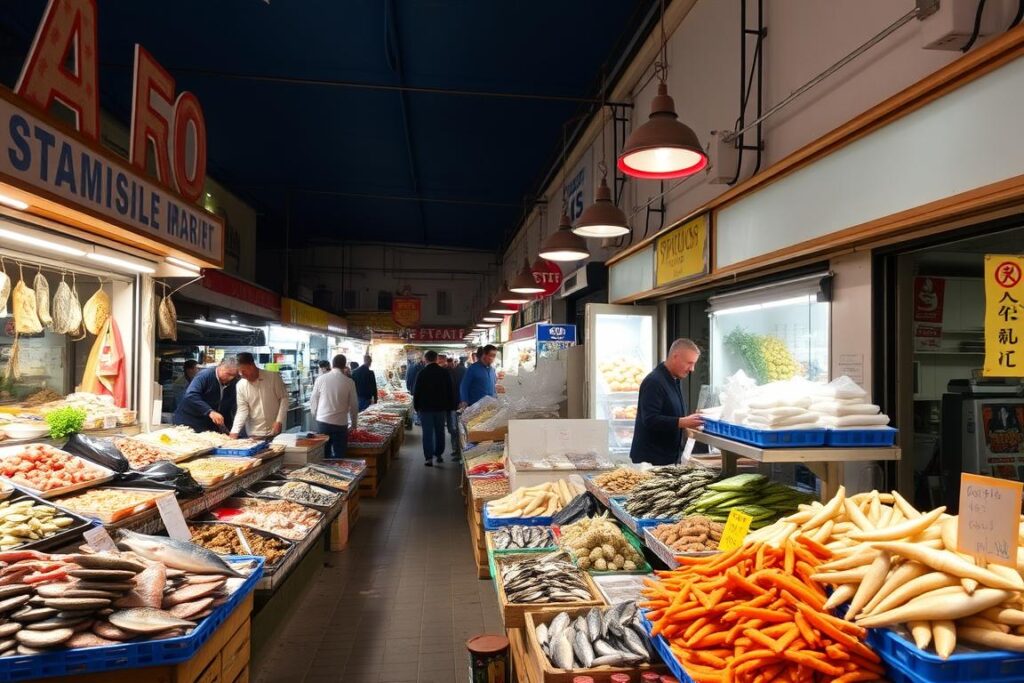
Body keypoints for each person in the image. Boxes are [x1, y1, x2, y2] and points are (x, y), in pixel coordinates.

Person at [630, 338, 704, 466]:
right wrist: (682, 422)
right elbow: (650, 419)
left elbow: (671, 413)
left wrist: (688, 423)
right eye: (689, 363)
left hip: (669, 459)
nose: (692, 369)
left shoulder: (675, 379)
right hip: (651, 461)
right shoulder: (654, 381)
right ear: (675, 357)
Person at [309, 354, 359, 459]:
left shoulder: (321, 379)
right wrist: (354, 424)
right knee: (340, 455)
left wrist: (315, 415)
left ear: (332, 364)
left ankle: (324, 474)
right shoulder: (349, 382)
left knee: (323, 454)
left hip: (323, 422)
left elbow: (313, 399)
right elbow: (354, 405)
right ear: (344, 365)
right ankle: (338, 474)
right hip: (340, 423)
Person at [230, 353, 289, 439]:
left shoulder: (273, 377)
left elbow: (284, 399)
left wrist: (279, 421)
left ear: (252, 365)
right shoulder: (240, 385)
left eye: (243, 370)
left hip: (275, 430)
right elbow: (242, 410)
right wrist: (234, 431)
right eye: (239, 372)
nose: (241, 374)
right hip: (254, 433)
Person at [413, 350, 457, 466]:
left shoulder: (422, 373)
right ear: (437, 359)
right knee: (440, 431)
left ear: (426, 359)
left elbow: (416, 391)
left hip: (425, 408)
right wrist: (451, 406)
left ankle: (428, 458)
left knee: (427, 433)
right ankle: (439, 454)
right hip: (440, 408)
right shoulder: (444, 373)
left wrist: (416, 407)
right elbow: (450, 390)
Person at [173, 358, 239, 433]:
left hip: (209, 426)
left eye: (233, 375)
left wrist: (230, 428)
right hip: (189, 421)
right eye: (228, 374)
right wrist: (209, 411)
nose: (230, 378)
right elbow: (191, 395)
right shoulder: (205, 375)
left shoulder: (234, 382)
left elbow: (231, 407)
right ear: (220, 367)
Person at [460, 345, 498, 409]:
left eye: (494, 356)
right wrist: (464, 401)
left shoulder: (492, 370)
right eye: (491, 355)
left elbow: (493, 386)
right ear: (484, 355)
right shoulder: (472, 368)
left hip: (490, 407)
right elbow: (464, 386)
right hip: (476, 407)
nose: (493, 358)